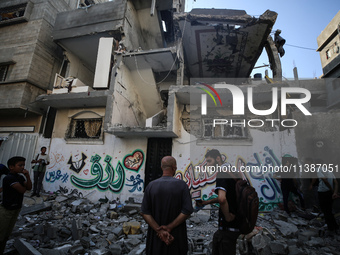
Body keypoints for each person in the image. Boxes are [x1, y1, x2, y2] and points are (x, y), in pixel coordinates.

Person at [141, 156, 193, 255]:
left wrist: (159, 230)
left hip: (155, 240)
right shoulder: (182, 186)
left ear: (161, 168)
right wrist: (169, 227)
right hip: (176, 239)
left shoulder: (151, 186)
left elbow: (144, 212)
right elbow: (187, 211)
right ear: (174, 168)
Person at [205, 149, 241, 255]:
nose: (208, 164)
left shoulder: (222, 173)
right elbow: (229, 196)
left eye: (209, 161)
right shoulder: (232, 170)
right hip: (237, 222)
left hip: (228, 226)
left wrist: (227, 216)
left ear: (217, 159)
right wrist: (205, 203)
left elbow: (222, 199)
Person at [0, 156, 32, 254]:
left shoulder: (20, 177)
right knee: (1, 234)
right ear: (11, 167)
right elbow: (22, 190)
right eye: (20, 165)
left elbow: (29, 188)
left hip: (16, 209)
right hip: (7, 210)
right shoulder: (9, 178)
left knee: (7, 234)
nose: (22, 167)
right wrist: (24, 185)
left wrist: (27, 176)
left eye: (23, 165)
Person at [313, 159, 339, 234]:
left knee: (325, 211)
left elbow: (325, 180)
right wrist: (335, 192)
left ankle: (330, 228)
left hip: (323, 193)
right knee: (329, 210)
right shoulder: (329, 171)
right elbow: (336, 182)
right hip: (329, 193)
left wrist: (331, 189)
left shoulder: (318, 169)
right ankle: (335, 226)